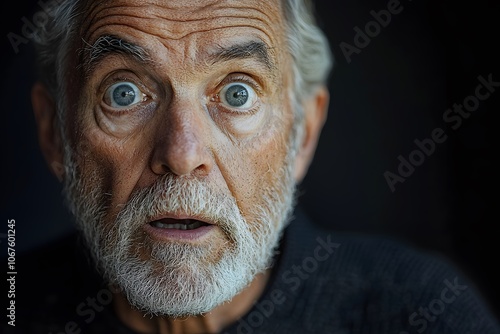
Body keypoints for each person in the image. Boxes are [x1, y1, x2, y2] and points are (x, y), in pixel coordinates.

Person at [4, 0, 500, 333]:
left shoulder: (422, 313)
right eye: (124, 93)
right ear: (55, 133)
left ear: (302, 134)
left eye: (237, 93)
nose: (181, 154)